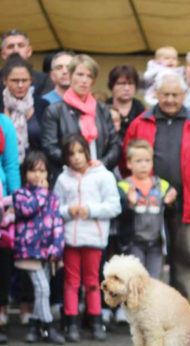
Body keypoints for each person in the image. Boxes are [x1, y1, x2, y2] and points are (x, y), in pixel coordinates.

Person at [122, 70, 190, 307]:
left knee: (184, 259)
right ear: (156, 94)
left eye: (176, 95)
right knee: (150, 258)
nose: (171, 100)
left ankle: (186, 311)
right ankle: (150, 309)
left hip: (187, 205)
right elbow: (126, 160)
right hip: (148, 207)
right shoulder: (140, 122)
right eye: (166, 95)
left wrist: (188, 188)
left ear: (184, 94)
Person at [53, 134, 121, 342]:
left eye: (80, 152)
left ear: (87, 152)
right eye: (71, 153)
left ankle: (95, 321)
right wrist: (67, 210)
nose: (76, 157)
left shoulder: (104, 175)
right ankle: (71, 322)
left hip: (94, 238)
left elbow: (114, 206)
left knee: (93, 282)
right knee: (71, 282)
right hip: (70, 238)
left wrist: (90, 210)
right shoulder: (63, 178)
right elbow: (54, 207)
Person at [12, 151, 64, 344]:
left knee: (43, 289)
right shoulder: (20, 195)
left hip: (48, 251)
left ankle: (35, 325)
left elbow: (58, 224)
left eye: (41, 170)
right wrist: (42, 193)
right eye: (32, 170)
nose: (37, 175)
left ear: (48, 173)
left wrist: (56, 249)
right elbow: (27, 210)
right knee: (42, 288)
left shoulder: (53, 197)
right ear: (25, 173)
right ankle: (49, 326)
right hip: (29, 251)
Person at [41, 54, 121, 176]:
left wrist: (102, 163)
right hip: (68, 175)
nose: (84, 80)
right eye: (80, 74)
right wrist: (76, 163)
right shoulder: (55, 110)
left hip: (100, 173)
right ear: (70, 75)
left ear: (93, 81)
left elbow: (114, 144)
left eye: (89, 76)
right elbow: (50, 147)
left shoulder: (102, 109)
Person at [117, 139, 176, 279]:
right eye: (138, 161)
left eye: (147, 160)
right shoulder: (124, 186)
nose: (143, 165)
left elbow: (172, 211)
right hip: (133, 243)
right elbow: (119, 216)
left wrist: (171, 202)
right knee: (135, 279)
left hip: (156, 243)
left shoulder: (162, 185)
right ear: (129, 163)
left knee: (153, 280)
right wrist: (129, 204)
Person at [2, 53, 48, 160]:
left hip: (35, 168)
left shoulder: (42, 105)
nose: (20, 85)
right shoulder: (1, 105)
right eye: (15, 81)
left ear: (31, 80)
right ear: (5, 81)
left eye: (24, 80)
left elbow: (47, 142)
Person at [0, 111, 20, 344]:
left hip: (1, 200)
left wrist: (15, 202)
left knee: (2, 261)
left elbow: (12, 164)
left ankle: (1, 317)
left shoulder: (4, 123)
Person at [0, 29, 53, 111]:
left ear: (29, 51)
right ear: (3, 54)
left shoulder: (44, 80)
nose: (16, 50)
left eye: (20, 46)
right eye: (10, 47)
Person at [105, 65, 145, 139]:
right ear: (112, 86)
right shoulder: (103, 109)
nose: (127, 88)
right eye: (121, 83)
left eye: (130, 83)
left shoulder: (142, 112)